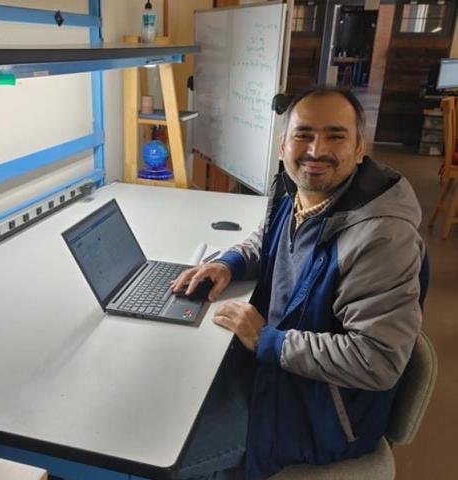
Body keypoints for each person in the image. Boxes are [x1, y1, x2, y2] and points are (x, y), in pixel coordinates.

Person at [171, 87, 428, 480]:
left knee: (173, 454)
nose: (315, 150)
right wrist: (229, 263)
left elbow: (378, 359)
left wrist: (267, 340)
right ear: (282, 145)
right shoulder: (296, 191)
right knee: (176, 398)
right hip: (278, 371)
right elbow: (268, 239)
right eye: (303, 134)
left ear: (360, 149)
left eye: (335, 136)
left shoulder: (380, 238)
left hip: (322, 409)